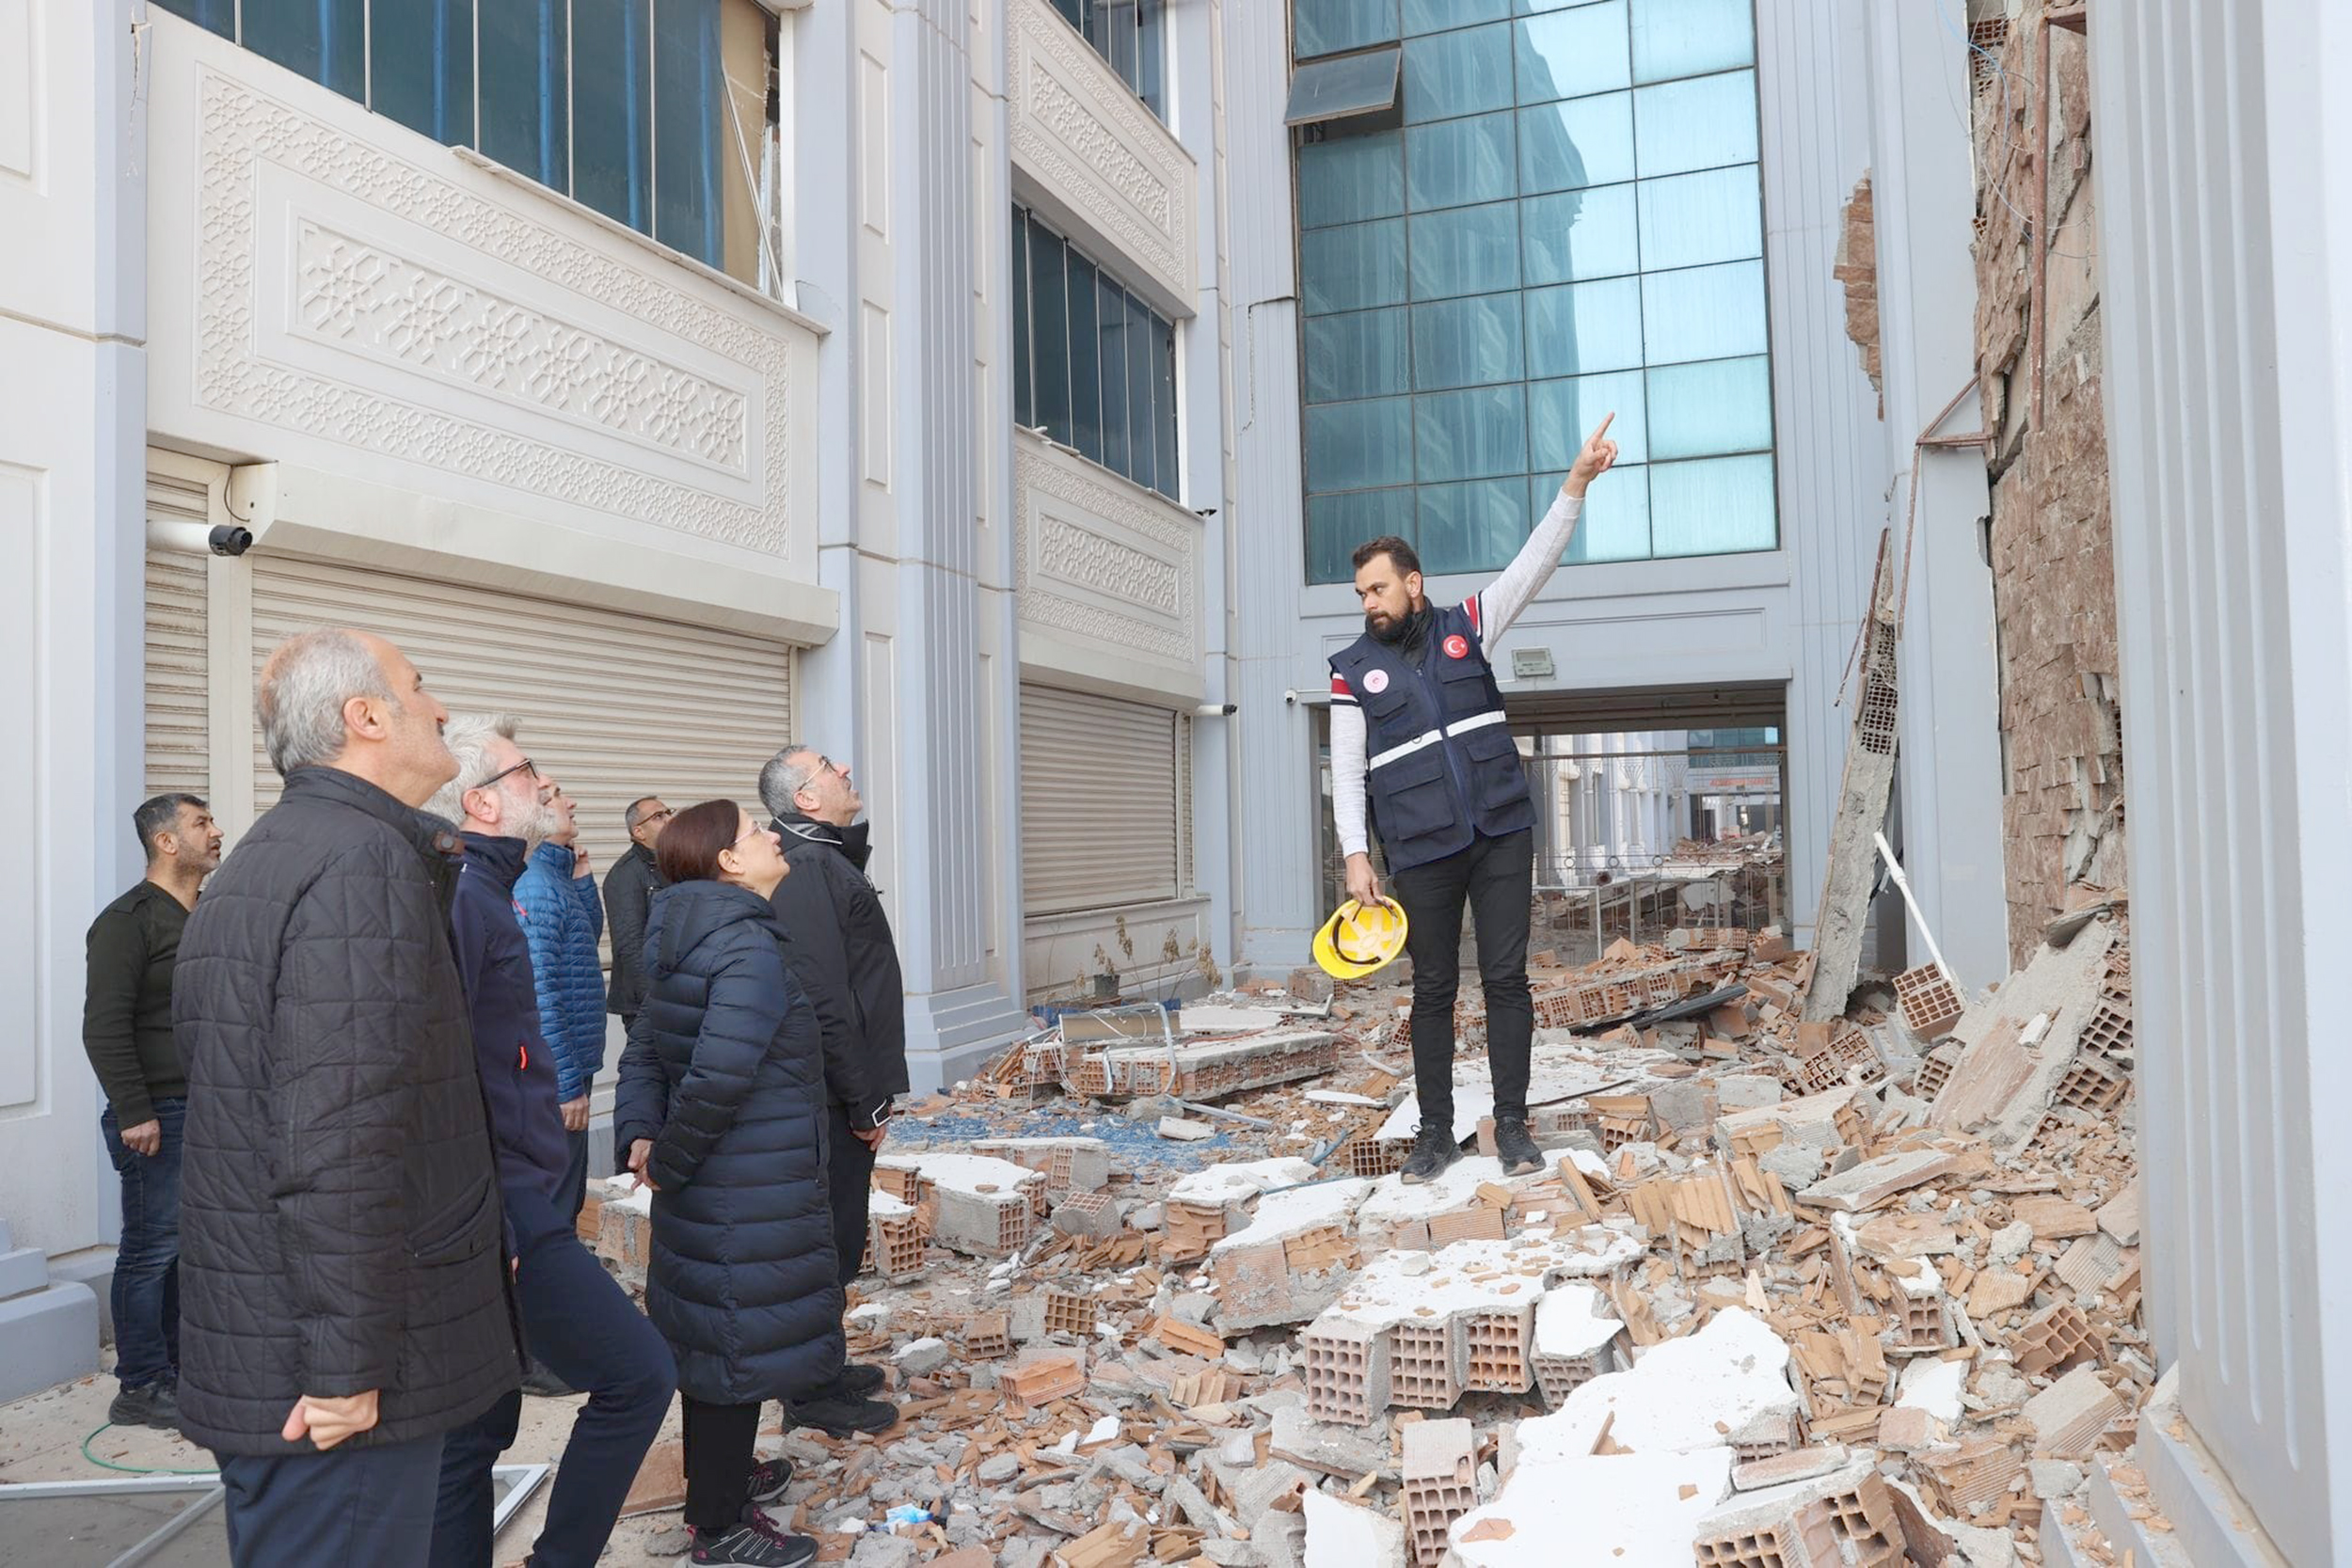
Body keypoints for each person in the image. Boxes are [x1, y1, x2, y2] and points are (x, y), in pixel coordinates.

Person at [174, 629, 519, 1568]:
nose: (441, 707)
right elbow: (336, 1140)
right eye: (420, 685)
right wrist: (343, 1368)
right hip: (332, 1381)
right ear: (364, 717)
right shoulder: (357, 864)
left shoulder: (280, 854)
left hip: (288, 1341)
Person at [1329, 415, 1621, 1185]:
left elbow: (1531, 565)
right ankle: (1433, 1133)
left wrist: (1575, 485)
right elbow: (1345, 766)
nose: (1370, 603)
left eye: (1380, 588)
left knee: (1506, 979)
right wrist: (1356, 854)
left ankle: (1514, 1125)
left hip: (1498, 832)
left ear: (1413, 583)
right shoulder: (1351, 671)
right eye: (1362, 593)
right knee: (1432, 988)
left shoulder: (1469, 629)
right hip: (1420, 848)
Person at [424, 717, 675, 1568]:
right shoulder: (466, 899)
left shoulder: (494, 887)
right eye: (529, 770)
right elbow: (445, 1079)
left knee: (476, 1432)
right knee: (634, 1374)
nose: (548, 783)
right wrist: (500, 1224)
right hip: (498, 1210)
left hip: (511, 1203)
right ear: (483, 799)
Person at [617, 800, 884, 1568]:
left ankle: (722, 1477)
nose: (772, 835)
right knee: (737, 1346)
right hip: (744, 1186)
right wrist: (667, 1158)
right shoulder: (743, 946)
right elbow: (718, 1076)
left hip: (723, 1186)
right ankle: (719, 1525)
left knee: (717, 1339)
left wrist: (639, 1132)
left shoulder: (686, 930)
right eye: (755, 832)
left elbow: (644, 1050)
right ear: (730, 862)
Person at [757, 746, 910, 1420]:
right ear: (806, 800)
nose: (847, 769)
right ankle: (809, 1391)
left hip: (838, 1091)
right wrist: (864, 1094)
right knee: (824, 1239)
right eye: (828, 768)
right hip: (829, 1098)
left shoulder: (823, 857)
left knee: (838, 1235)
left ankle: (824, 1364)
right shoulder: (812, 864)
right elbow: (825, 995)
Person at [81, 792, 222, 1431]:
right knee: (151, 1248)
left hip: (205, 1106)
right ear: (167, 842)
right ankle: (139, 1382)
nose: (215, 832)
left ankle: (180, 1369)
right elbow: (103, 1025)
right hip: (156, 1113)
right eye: (201, 823)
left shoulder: (206, 913)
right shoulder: (127, 921)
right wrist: (135, 1109)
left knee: (187, 1248)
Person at [516, 785, 608, 1227]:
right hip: (560, 1074)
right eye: (554, 797)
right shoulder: (534, 884)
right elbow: (539, 990)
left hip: (574, 1062)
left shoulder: (555, 876)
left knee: (568, 1194)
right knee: (556, 1199)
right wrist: (566, 1084)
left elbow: (584, 939)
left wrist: (583, 874)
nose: (571, 803)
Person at [603, 796, 673, 1031]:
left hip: (674, 995)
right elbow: (630, 946)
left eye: (669, 812)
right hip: (646, 1003)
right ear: (639, 832)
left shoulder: (671, 865)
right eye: (658, 816)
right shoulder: (626, 874)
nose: (669, 820)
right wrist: (655, 1002)